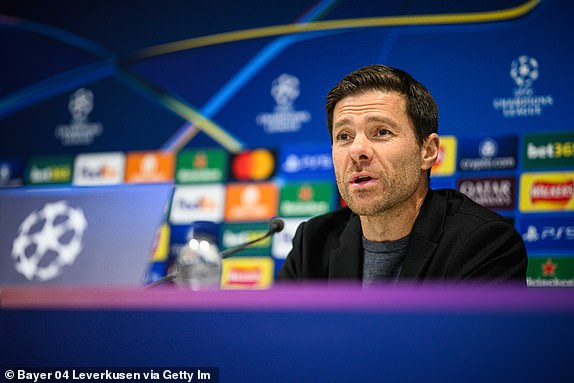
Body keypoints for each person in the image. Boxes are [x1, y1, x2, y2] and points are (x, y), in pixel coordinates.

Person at [277, 64, 527, 284]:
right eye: (344, 136)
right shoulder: (313, 242)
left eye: (381, 132)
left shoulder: (482, 243)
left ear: (427, 152)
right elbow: (279, 334)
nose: (357, 151)